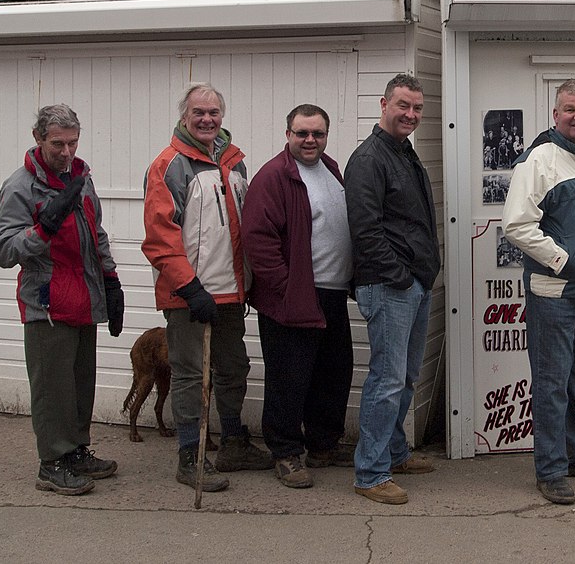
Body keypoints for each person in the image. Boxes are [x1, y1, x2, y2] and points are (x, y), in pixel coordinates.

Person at [142, 82, 271, 493]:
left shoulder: (235, 165)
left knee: (233, 369)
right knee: (189, 375)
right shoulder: (169, 166)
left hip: (232, 293)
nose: (207, 119)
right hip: (190, 296)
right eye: (198, 112)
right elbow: (160, 237)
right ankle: (189, 456)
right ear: (184, 116)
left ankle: (233, 442)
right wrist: (189, 286)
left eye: (214, 113)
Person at [0, 103, 124, 496]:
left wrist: (112, 279)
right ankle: (52, 461)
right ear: (38, 139)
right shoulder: (21, 187)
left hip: (85, 296)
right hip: (46, 303)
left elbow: (96, 232)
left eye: (73, 143)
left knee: (80, 383)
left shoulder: (80, 179)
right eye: (57, 145)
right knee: (52, 388)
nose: (66, 153)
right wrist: (42, 229)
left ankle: (77, 450)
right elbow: (2, 250)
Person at [503, 79, 575, 505]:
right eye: (570, 109)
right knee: (553, 381)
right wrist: (562, 260)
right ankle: (551, 469)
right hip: (556, 292)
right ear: (555, 115)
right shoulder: (540, 160)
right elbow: (516, 224)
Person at [241, 103, 355, 489]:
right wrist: (285, 287)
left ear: (326, 136)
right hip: (293, 297)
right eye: (302, 133)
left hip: (332, 293)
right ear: (287, 134)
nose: (310, 140)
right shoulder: (274, 177)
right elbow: (257, 239)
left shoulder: (331, 170)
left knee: (332, 373)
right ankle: (286, 452)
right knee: (289, 378)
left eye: (318, 134)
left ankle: (323, 444)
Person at [345, 73, 441, 505]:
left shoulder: (403, 152)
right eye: (403, 105)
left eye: (417, 108)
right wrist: (399, 276)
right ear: (384, 104)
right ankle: (370, 473)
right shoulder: (369, 159)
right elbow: (365, 231)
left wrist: (420, 275)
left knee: (404, 378)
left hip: (413, 283)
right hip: (389, 285)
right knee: (386, 379)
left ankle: (395, 453)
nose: (410, 114)